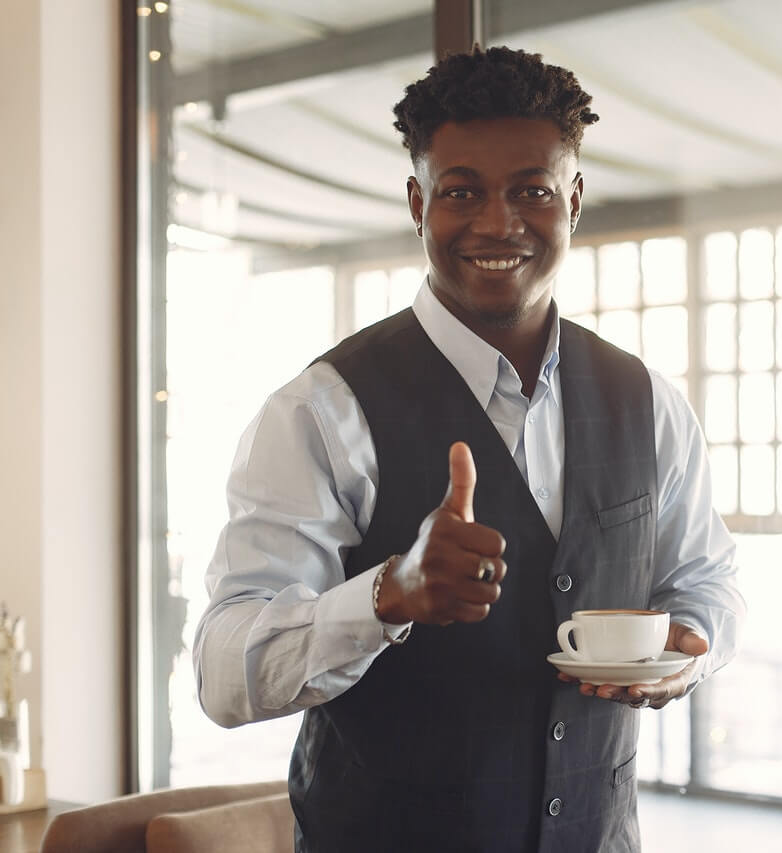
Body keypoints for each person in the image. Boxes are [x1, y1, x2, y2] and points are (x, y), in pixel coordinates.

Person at [194, 45, 744, 852]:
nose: (498, 222)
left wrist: (692, 647)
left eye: (532, 190)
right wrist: (387, 594)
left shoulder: (649, 401)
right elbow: (220, 672)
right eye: (461, 192)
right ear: (418, 202)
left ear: (575, 200)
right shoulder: (320, 411)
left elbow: (707, 578)